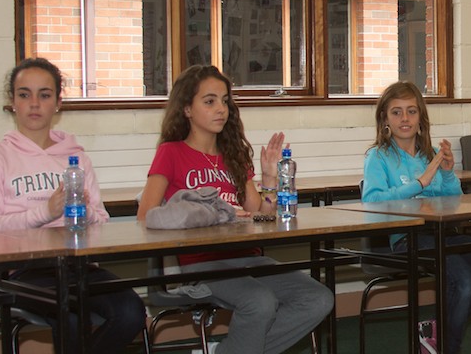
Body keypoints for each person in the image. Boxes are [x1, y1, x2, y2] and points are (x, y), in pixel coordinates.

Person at [137, 65, 333, 354]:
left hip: (247, 258)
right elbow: (146, 216)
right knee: (260, 301)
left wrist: (268, 180)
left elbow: (262, 216)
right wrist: (214, 219)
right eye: (209, 101)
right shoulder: (171, 152)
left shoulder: (234, 155)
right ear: (187, 109)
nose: (221, 109)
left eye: (225, 100)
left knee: (318, 298)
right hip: (201, 263)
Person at [0, 58, 146, 352]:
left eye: (45, 94)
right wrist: (46, 212)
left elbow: (101, 222)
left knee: (132, 313)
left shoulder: (76, 158)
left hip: (79, 267)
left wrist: (85, 213)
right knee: (71, 315)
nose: (34, 104)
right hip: (25, 271)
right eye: (24, 94)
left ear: (58, 103)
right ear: (12, 102)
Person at [362, 81, 471, 354]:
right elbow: (372, 202)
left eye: (411, 111)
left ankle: (437, 328)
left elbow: (454, 201)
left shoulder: (431, 154)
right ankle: (448, 347)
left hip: (443, 235)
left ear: (421, 117)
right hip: (406, 238)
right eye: (396, 112)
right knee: (463, 280)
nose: (405, 118)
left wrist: (446, 172)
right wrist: (419, 183)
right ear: (384, 119)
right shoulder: (378, 156)